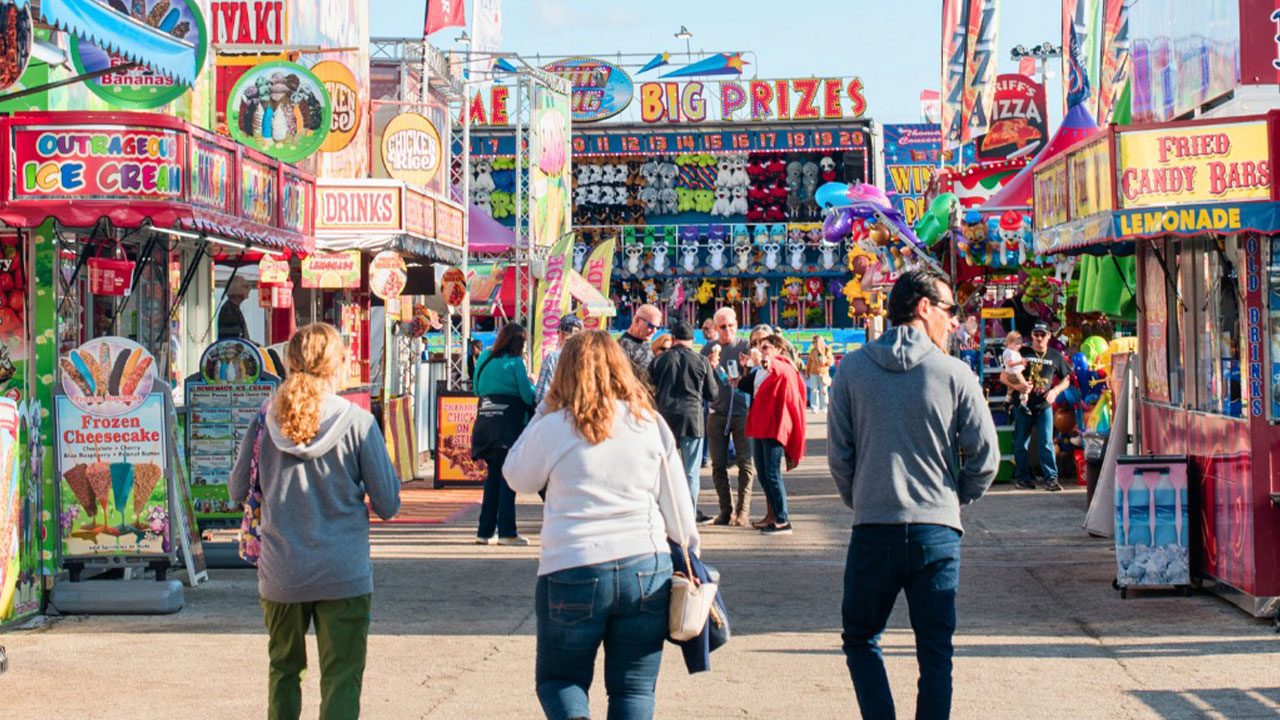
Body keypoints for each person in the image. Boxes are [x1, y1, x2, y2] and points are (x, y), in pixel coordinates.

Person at [827, 267, 999, 720]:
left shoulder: (851, 369)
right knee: (935, 653)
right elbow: (986, 458)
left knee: (861, 637)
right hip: (936, 534)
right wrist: (952, 497)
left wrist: (863, 496)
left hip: (873, 528)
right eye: (949, 310)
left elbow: (839, 457)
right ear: (924, 308)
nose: (954, 321)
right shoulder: (954, 372)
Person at [505, 330, 700, 720]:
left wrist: (542, 411)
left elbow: (516, 477)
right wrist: (688, 554)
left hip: (572, 565)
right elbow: (679, 510)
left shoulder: (555, 425)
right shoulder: (650, 423)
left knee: (560, 680)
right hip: (646, 565)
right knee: (634, 687)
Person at [228, 323, 401, 720]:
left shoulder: (263, 422)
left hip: (281, 572)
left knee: (285, 670)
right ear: (337, 365)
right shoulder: (358, 424)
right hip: (344, 572)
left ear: (288, 363)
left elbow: (238, 490)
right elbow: (389, 503)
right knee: (342, 676)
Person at [472, 322, 536, 545]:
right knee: (508, 478)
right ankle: (507, 531)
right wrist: (532, 384)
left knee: (493, 478)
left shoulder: (484, 358)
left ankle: (485, 531)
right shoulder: (515, 362)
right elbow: (528, 397)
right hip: (508, 428)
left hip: (485, 426)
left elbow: (476, 390)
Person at [650, 320, 719, 523]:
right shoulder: (701, 361)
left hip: (664, 420)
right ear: (692, 340)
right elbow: (713, 394)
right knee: (691, 473)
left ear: (673, 339)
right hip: (692, 419)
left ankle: (665, 514)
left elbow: (648, 389)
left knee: (664, 469)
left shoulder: (659, 361)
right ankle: (688, 516)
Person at [744, 334, 807, 535]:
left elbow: (776, 367)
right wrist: (747, 366)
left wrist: (763, 360)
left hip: (774, 426)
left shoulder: (783, 365)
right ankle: (771, 515)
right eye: (759, 347)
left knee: (772, 473)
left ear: (778, 349)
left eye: (766, 347)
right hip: (761, 425)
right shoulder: (764, 369)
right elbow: (745, 385)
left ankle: (782, 519)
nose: (762, 350)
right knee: (763, 473)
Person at [699, 307, 756, 526]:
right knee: (718, 464)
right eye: (722, 327)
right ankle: (726, 509)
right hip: (717, 412)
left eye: (731, 325)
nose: (728, 330)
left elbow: (755, 374)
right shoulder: (708, 349)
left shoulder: (745, 346)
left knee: (745, 463)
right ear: (715, 328)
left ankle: (743, 511)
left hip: (742, 412)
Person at [1002, 321, 1072, 492]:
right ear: (1032, 335)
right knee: (1021, 443)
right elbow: (1004, 376)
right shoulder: (1023, 352)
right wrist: (1018, 387)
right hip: (1024, 404)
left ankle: (1051, 479)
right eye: (1036, 334)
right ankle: (1022, 478)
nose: (1039, 338)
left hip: (1044, 405)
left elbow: (1067, 379)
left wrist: (1055, 391)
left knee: (1046, 442)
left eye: (1043, 335)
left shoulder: (1055, 356)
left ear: (1049, 336)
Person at [535, 314, 583, 404]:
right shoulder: (588, 359)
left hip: (558, 412)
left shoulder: (552, 358)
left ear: (561, 334)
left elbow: (541, 397)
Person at [618, 303, 662, 382]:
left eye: (657, 328)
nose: (654, 331)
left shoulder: (644, 343)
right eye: (651, 326)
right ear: (637, 320)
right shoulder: (622, 346)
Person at [1000, 331, 1029, 409]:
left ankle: (1007, 400)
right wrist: (1020, 362)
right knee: (1024, 386)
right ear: (1009, 343)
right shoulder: (1011, 353)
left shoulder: (1008, 351)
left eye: (1020, 344)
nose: (1019, 346)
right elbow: (1010, 363)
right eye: (1017, 344)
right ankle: (1023, 403)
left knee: (1010, 388)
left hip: (1008, 373)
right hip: (1015, 373)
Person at [805, 336, 835, 412]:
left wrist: (826, 360)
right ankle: (815, 407)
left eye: (814, 342)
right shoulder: (812, 351)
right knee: (814, 390)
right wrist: (807, 372)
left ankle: (824, 406)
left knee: (823, 390)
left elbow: (831, 361)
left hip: (823, 373)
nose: (813, 344)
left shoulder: (826, 350)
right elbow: (809, 363)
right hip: (813, 373)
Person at [217, 275, 252, 340]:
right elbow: (234, 340)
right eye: (246, 286)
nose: (249, 289)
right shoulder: (229, 311)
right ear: (237, 288)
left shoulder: (232, 308)